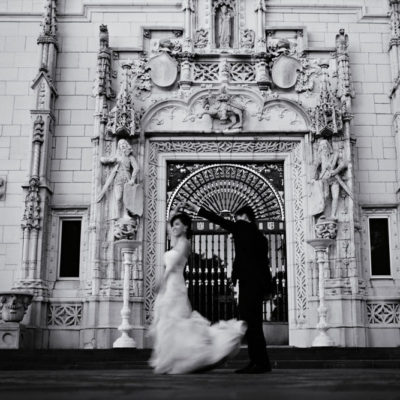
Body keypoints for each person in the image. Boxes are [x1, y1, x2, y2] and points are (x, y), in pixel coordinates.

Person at [149, 204, 246, 374]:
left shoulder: (185, 243)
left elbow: (172, 266)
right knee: (167, 322)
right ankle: (172, 357)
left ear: (186, 227)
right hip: (169, 286)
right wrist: (173, 213)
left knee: (176, 320)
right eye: (174, 224)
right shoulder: (175, 240)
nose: (174, 227)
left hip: (174, 285)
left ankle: (197, 354)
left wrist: (161, 281)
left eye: (178, 224)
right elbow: (167, 226)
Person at [185, 201, 272, 374]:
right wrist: (268, 289)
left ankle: (259, 363)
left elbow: (218, 220)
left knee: (250, 323)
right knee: (255, 324)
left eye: (236, 217)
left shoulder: (240, 227)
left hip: (248, 284)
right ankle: (259, 362)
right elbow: (265, 265)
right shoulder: (261, 238)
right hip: (258, 285)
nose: (234, 220)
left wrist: (197, 209)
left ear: (244, 217)